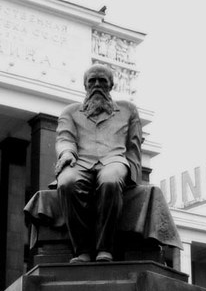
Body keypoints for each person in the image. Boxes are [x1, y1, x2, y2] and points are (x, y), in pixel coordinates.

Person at [55, 64, 143, 263]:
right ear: (85, 85)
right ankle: (82, 251)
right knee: (67, 182)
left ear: (111, 85)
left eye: (102, 81)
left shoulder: (128, 110)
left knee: (110, 180)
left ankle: (105, 248)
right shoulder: (70, 112)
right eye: (92, 81)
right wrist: (67, 153)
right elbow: (65, 138)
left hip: (114, 160)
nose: (97, 85)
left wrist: (132, 176)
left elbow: (134, 145)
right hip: (80, 162)